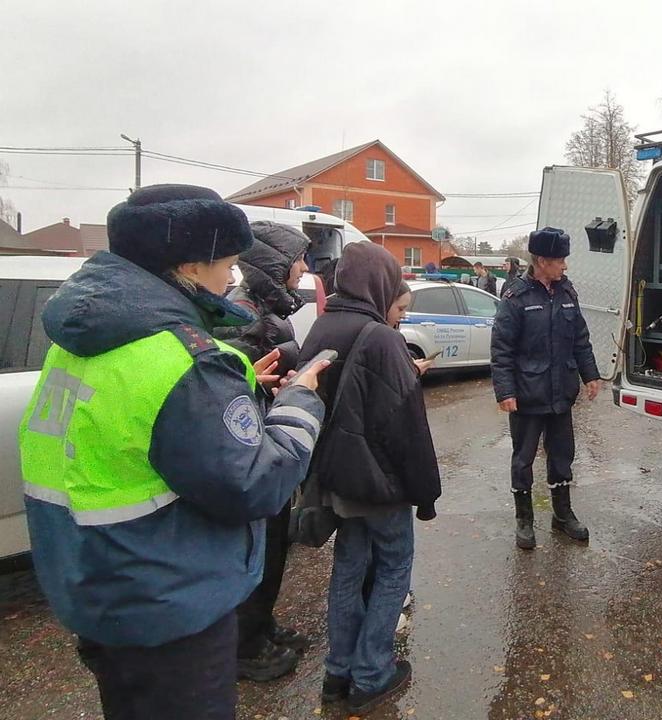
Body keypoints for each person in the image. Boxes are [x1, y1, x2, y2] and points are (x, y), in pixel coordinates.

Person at [18, 185, 329, 720]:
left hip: (94, 586)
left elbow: (132, 429)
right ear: (189, 264)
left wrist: (224, 394)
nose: (231, 278)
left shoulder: (83, 339)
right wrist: (300, 402)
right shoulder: (186, 360)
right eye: (227, 264)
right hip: (167, 605)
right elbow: (255, 485)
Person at [299, 242, 441, 715]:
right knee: (393, 569)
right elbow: (407, 427)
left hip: (337, 480)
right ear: (379, 284)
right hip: (379, 484)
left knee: (348, 570)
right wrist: (426, 492)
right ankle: (372, 673)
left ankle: (337, 673)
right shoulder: (380, 337)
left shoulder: (322, 326)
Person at [213, 220, 312, 681]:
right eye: (297, 261)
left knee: (274, 547)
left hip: (268, 442)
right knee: (259, 549)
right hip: (253, 450)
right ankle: (245, 645)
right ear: (276, 265)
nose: (305, 269)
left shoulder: (270, 311)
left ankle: (262, 624)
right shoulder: (245, 314)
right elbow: (234, 390)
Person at [490, 227, 601, 550]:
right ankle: (524, 519)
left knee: (563, 456)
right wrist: (505, 391)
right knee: (523, 459)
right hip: (527, 396)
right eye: (559, 260)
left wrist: (590, 375)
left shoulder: (568, 293)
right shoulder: (516, 297)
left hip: (561, 394)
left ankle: (562, 513)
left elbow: (580, 339)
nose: (564, 266)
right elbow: (502, 349)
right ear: (541, 261)